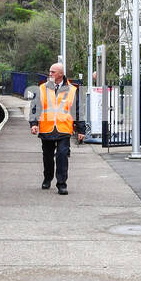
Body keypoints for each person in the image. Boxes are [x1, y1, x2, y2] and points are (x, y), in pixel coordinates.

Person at [28, 63, 86, 194]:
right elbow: (35, 107)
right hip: (47, 128)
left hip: (63, 128)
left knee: (62, 156)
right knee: (47, 157)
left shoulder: (72, 90)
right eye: (50, 71)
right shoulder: (42, 88)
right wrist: (34, 124)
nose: (50, 74)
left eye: (53, 72)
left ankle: (61, 184)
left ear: (61, 74)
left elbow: (78, 111)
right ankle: (47, 178)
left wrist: (81, 130)